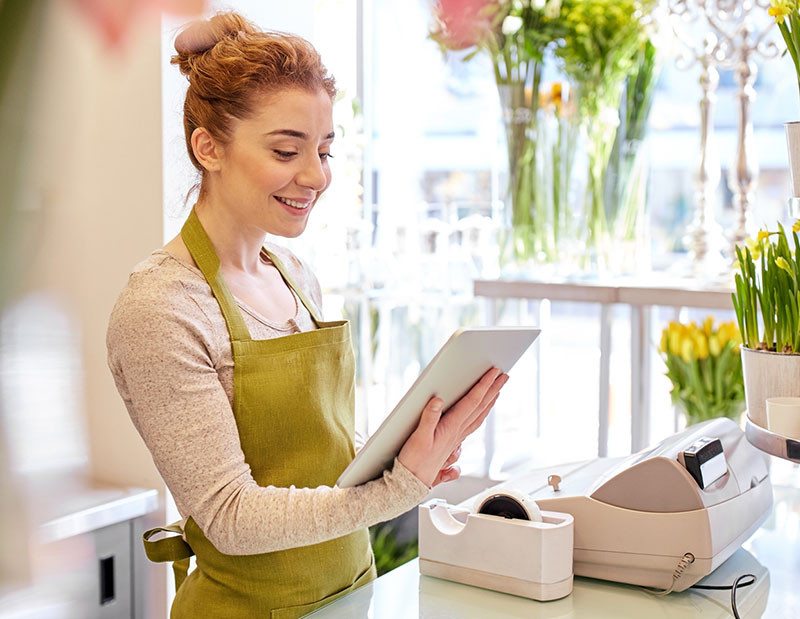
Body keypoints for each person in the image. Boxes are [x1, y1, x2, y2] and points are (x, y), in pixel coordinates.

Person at [106, 11, 508, 618]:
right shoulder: (162, 307)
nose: (316, 176)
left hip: (351, 590)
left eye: (324, 150)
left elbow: (322, 457)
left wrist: (407, 447)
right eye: (286, 150)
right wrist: (397, 490)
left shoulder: (296, 275)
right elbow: (231, 518)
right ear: (208, 147)